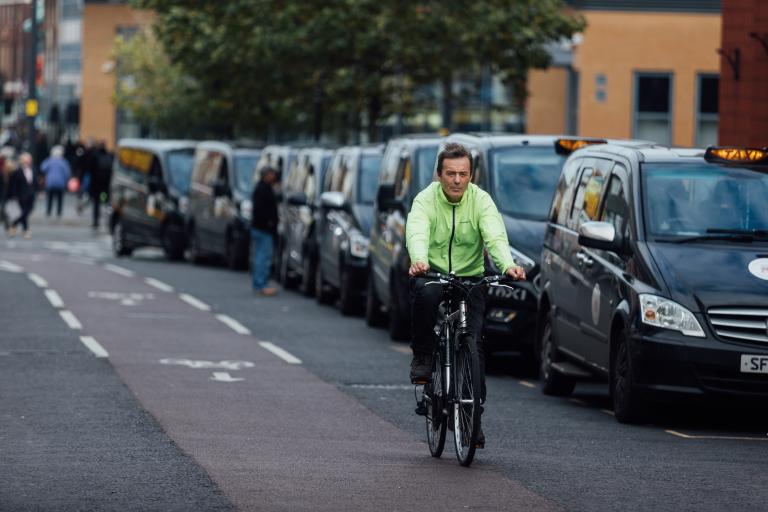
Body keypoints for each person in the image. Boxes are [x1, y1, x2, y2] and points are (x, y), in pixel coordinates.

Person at [405, 142, 526, 448]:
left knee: (473, 343)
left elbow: (495, 236)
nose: (457, 180)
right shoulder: (425, 200)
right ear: (439, 174)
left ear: (471, 175)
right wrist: (419, 259)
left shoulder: (481, 201)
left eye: (463, 174)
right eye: (450, 173)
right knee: (426, 298)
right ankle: (422, 356)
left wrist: (508, 265)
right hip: (431, 272)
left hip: (470, 276)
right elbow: (416, 231)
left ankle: (473, 419)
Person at [250, 167, 279, 296]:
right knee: (263, 257)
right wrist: (270, 223)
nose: (274, 176)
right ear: (265, 175)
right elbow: (264, 210)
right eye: (271, 174)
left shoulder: (262, 188)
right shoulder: (263, 189)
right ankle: (261, 284)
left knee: (260, 256)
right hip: (263, 229)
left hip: (260, 227)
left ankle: (259, 283)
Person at [8, 152, 37, 238]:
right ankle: (26, 231)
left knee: (28, 211)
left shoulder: (33, 170)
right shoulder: (17, 171)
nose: (28, 161)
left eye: (29, 159)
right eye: (26, 160)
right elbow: (13, 184)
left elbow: (35, 183)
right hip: (21, 195)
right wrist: (13, 195)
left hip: (31, 195)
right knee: (24, 212)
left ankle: (14, 224)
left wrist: (39, 191)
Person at [40, 145, 72, 218]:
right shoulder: (64, 162)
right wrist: (65, 180)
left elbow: (43, 168)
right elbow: (67, 173)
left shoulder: (49, 160)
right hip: (61, 183)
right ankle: (59, 212)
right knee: (60, 198)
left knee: (50, 198)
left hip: (50, 182)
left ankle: (48, 211)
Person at [88, 141, 113, 230]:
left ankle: (96, 221)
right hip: (105, 186)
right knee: (106, 202)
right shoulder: (109, 156)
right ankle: (108, 221)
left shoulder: (95, 156)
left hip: (96, 185)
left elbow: (90, 170)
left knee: (96, 203)